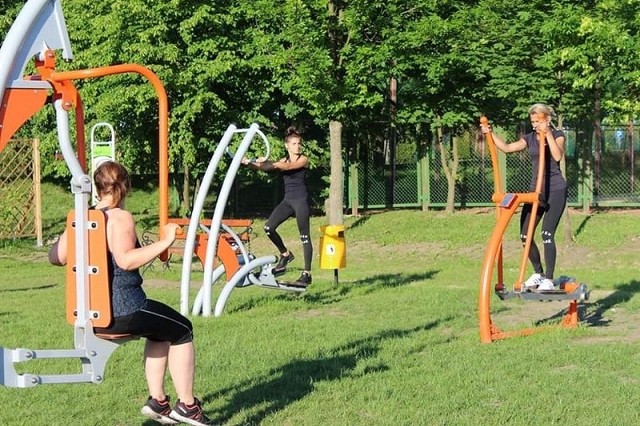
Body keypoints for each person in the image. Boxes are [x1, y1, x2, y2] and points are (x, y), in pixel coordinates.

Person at [48, 161, 211, 426]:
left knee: (160, 330)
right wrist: (166, 242)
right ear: (125, 187)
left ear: (97, 188)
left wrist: (71, 228)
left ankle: (158, 401)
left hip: (92, 314)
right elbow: (125, 260)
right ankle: (188, 406)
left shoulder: (82, 217)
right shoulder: (119, 217)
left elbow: (55, 257)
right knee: (182, 329)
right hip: (124, 310)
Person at [480, 103, 567, 291]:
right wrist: (490, 133)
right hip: (536, 190)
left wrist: (548, 134)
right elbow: (507, 148)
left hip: (556, 189)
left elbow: (557, 156)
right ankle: (538, 273)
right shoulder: (529, 138)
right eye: (533, 121)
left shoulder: (558, 135)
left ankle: (549, 279)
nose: (535, 125)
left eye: (538, 121)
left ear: (547, 119)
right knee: (525, 234)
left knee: (547, 234)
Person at [242, 126, 313, 287]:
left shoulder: (303, 159)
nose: (297, 146)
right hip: (288, 201)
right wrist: (250, 163)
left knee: (305, 237)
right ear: (287, 145)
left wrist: (266, 162)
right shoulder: (282, 160)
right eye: (294, 144)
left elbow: (286, 167)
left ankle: (307, 274)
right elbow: (268, 168)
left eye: (299, 143)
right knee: (268, 228)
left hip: (301, 201)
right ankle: (285, 254)